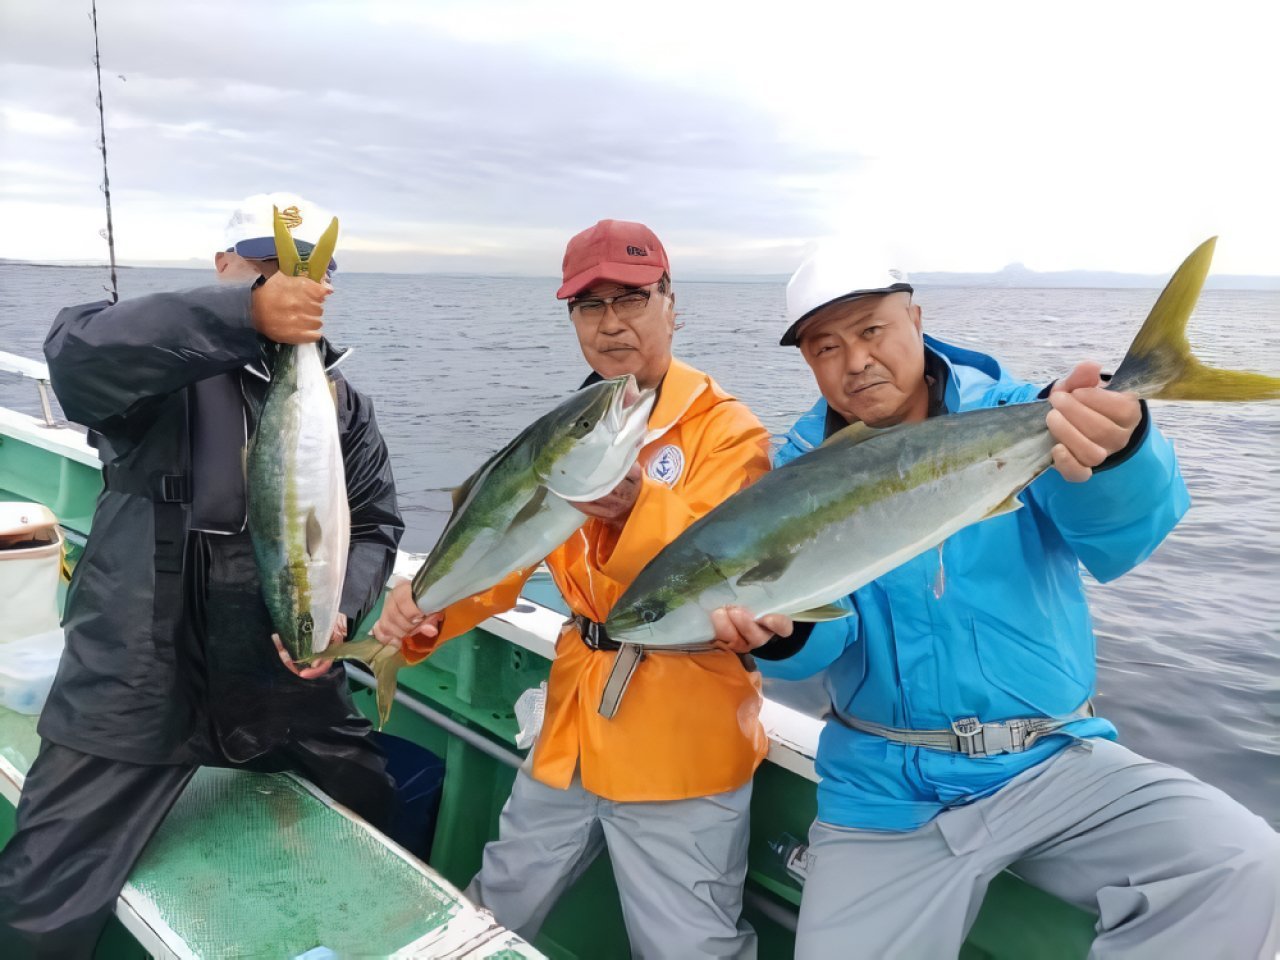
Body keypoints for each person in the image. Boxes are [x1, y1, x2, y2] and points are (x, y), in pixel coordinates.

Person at [711, 243, 1280, 959]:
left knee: (1243, 864)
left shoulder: (1021, 413)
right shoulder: (796, 473)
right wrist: (780, 634)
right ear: (808, 363)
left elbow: (1121, 542)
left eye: (871, 330)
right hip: (886, 794)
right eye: (826, 346)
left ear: (916, 319)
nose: (854, 360)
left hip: (1052, 762)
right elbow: (826, 638)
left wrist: (1123, 449)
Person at [0, 192, 404, 958]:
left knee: (373, 807)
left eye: (304, 278)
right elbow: (76, 352)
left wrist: (340, 608)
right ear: (224, 268)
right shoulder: (150, 372)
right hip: (139, 668)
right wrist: (244, 318)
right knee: (46, 884)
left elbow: (376, 523)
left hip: (282, 666)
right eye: (262, 270)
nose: (284, 289)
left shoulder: (340, 402)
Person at [373, 220, 771, 958]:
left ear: (671, 303)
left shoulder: (729, 433)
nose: (613, 323)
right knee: (491, 910)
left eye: (632, 299)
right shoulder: (570, 428)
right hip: (572, 730)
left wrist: (635, 510)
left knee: (692, 947)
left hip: (682, 744)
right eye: (591, 306)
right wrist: (423, 616)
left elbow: (721, 568)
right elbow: (505, 556)